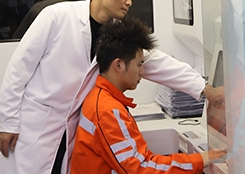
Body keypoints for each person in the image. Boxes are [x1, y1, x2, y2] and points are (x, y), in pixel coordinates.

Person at [0, 0, 219, 174]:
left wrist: (203, 88)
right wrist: (8, 123)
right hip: (35, 125)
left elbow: (155, 60)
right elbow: (19, 69)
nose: (129, 2)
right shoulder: (57, 16)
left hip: (71, 128)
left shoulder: (115, 32)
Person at [70, 17, 226, 174]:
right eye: (139, 64)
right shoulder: (108, 111)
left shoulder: (100, 98)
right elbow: (140, 168)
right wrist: (201, 159)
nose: (143, 71)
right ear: (118, 65)